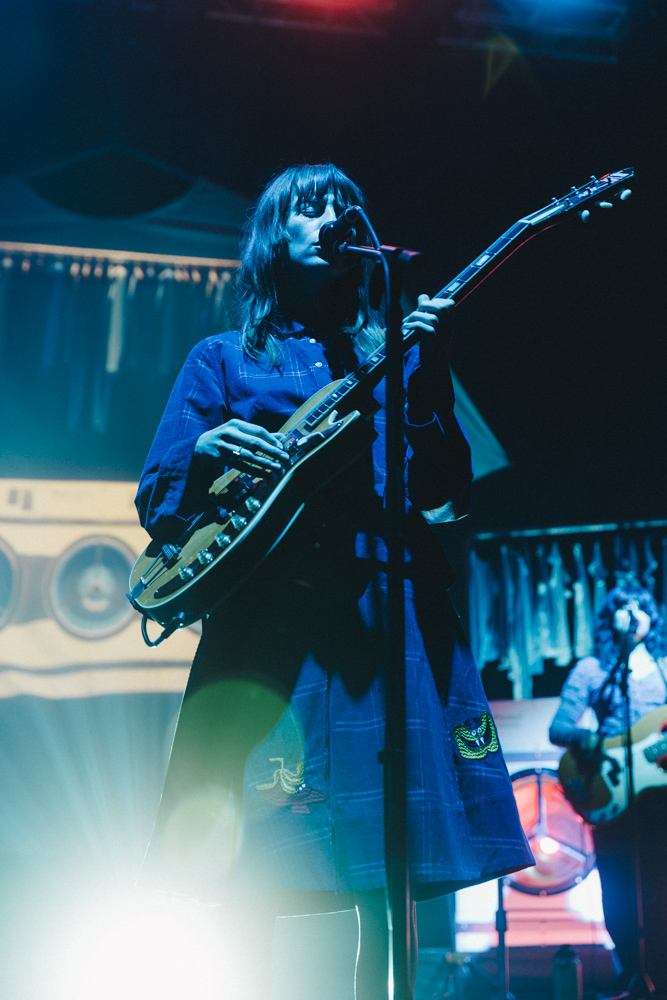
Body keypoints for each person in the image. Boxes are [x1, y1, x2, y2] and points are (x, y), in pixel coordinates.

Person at [136, 162, 532, 1000]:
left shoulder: (395, 353)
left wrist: (429, 371)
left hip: (382, 625)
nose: (330, 219)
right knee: (251, 864)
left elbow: (441, 494)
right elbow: (160, 505)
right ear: (271, 238)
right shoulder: (221, 361)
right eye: (308, 209)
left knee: (378, 873)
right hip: (269, 637)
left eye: (343, 207)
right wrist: (204, 454)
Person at [549, 584, 667, 996]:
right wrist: (587, 739)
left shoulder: (666, 666)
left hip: (660, 797)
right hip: (612, 792)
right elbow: (558, 728)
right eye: (622, 607)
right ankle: (632, 973)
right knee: (617, 888)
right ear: (609, 618)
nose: (632, 613)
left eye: (640, 606)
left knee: (660, 887)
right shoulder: (592, 669)